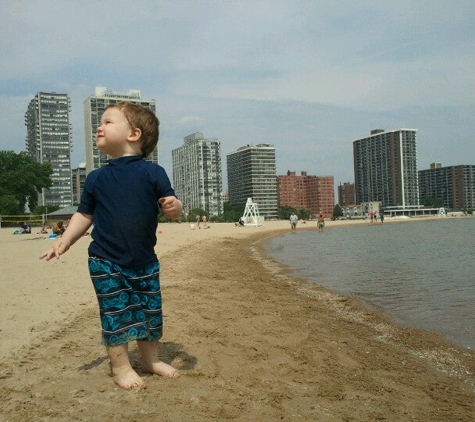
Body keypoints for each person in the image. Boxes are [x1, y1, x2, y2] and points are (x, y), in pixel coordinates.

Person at [40, 101, 183, 390]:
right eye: (100, 122)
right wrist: (64, 241)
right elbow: (84, 214)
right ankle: (120, 366)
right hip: (106, 260)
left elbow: (172, 203)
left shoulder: (154, 173)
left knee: (150, 313)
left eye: (107, 122)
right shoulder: (96, 178)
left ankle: (150, 360)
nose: (99, 126)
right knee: (115, 313)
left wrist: (174, 206)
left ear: (134, 134)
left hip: (145, 260)